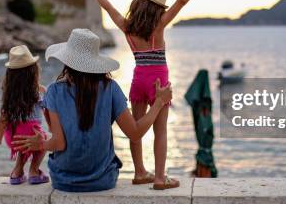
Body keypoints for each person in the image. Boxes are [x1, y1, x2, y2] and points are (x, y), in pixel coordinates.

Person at [84, 0, 214, 189]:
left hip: (138, 80)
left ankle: (140, 172)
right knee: (160, 130)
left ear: (139, 2)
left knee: (137, 128)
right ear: (158, 7)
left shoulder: (127, 26)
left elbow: (110, 9)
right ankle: (160, 178)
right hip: (158, 83)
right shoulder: (160, 25)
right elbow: (182, 1)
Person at [12, 28, 172, 192]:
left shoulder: (53, 91)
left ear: (68, 60)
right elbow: (135, 133)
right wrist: (159, 102)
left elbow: (59, 144)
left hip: (63, 181)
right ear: (95, 62)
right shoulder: (110, 88)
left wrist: (41, 144)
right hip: (103, 180)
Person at [0, 45, 50, 185]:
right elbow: (47, 111)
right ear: (34, 71)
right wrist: (52, 128)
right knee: (43, 142)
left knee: (23, 147)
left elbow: (2, 120)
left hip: (13, 137)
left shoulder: (9, 96)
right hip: (32, 134)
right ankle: (34, 171)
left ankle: (17, 173)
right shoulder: (38, 92)